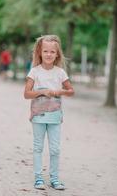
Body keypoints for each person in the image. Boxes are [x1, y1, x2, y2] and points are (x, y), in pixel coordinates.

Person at [24, 35, 74, 190]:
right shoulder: (34, 71)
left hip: (54, 116)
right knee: (38, 147)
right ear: (40, 52)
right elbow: (26, 94)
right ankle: (38, 178)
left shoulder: (60, 72)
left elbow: (71, 91)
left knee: (55, 148)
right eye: (45, 51)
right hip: (38, 116)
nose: (48, 54)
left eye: (52, 52)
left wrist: (59, 91)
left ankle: (54, 179)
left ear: (57, 54)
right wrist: (42, 92)